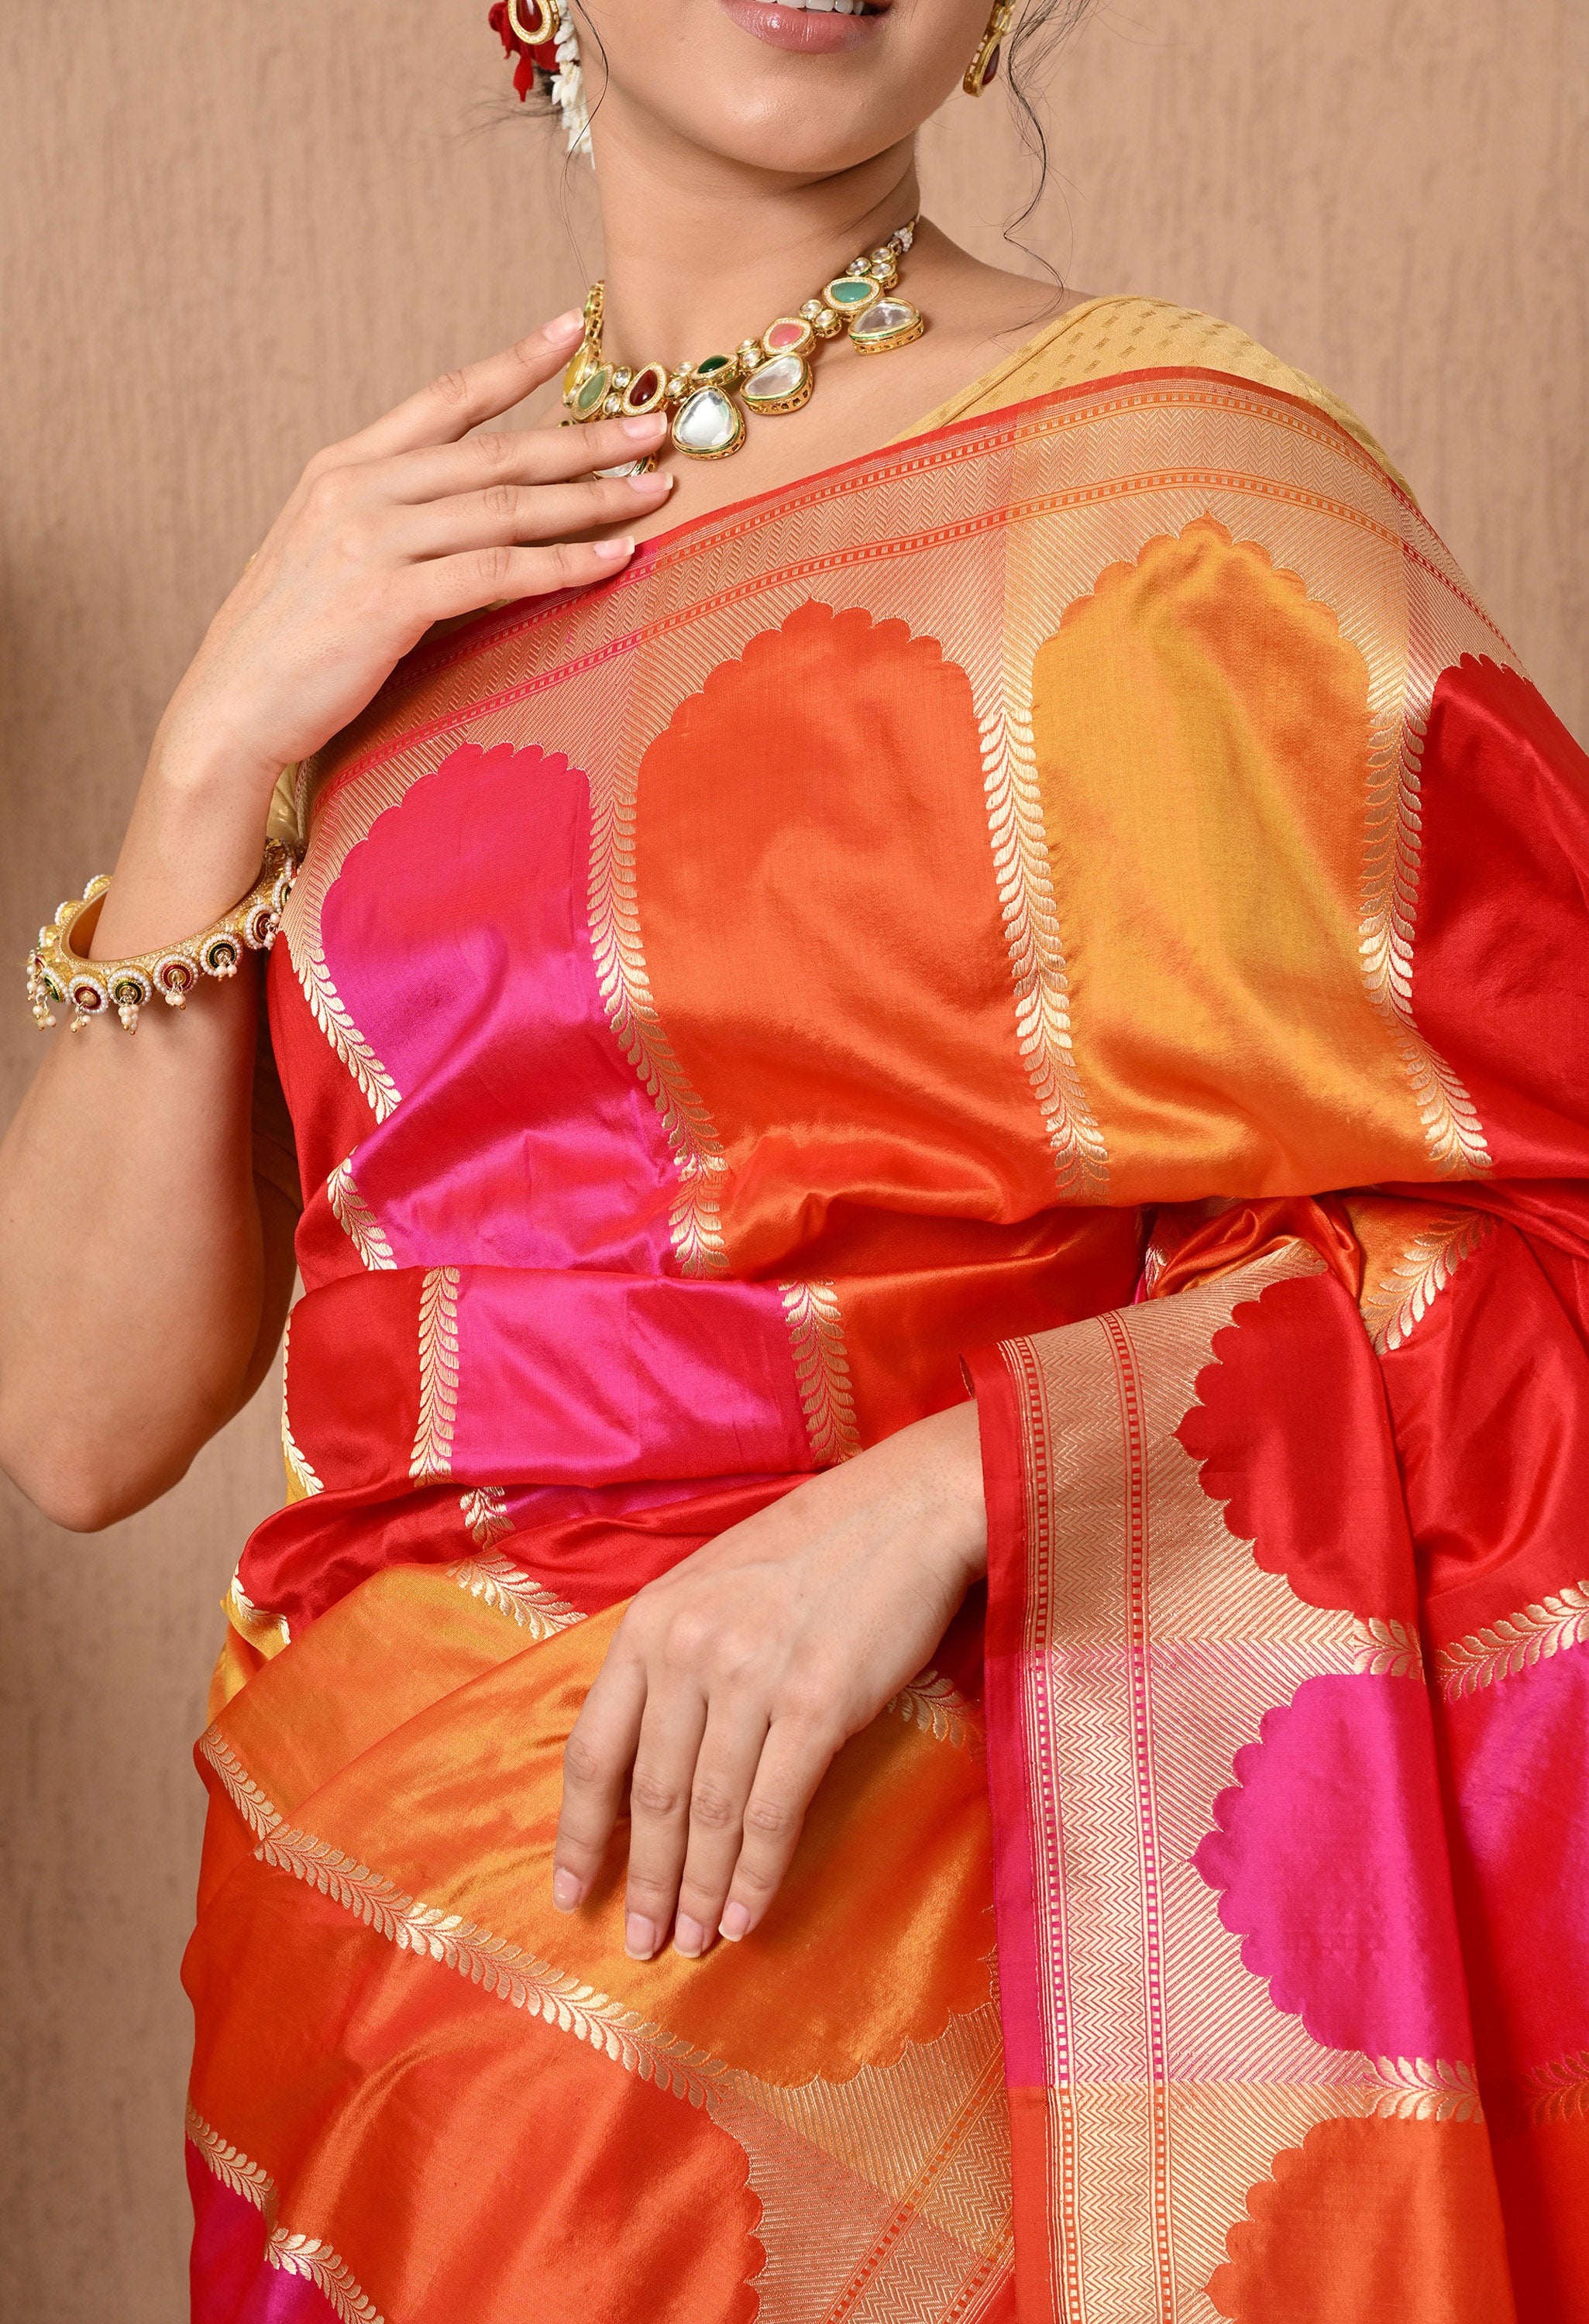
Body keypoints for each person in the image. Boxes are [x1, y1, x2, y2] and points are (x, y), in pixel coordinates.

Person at [3, 1, 1586, 2315]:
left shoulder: (1171, 498)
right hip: (395, 1978)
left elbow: (1533, 1216)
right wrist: (208, 752)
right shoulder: (393, 582)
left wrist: (954, 1488)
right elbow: (75, 1421)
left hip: (959, 1955)